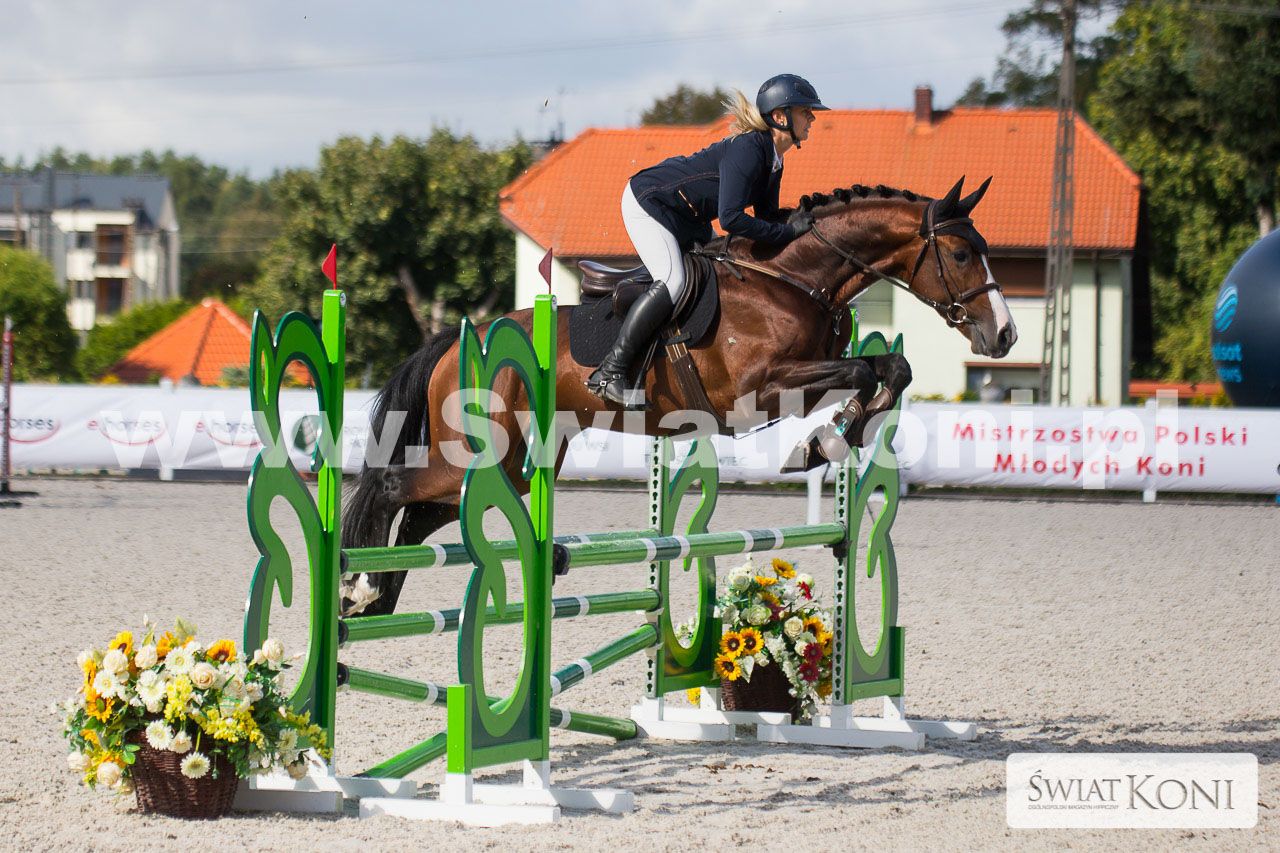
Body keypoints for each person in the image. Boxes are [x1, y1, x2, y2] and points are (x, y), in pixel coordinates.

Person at [587, 73, 830, 408]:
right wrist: (788, 232)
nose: (812, 118)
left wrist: (806, 223)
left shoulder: (774, 158)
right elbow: (731, 219)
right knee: (673, 281)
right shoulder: (749, 149)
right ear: (780, 116)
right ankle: (610, 371)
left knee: (720, 271)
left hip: (687, 216)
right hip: (650, 202)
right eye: (805, 111)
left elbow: (767, 216)